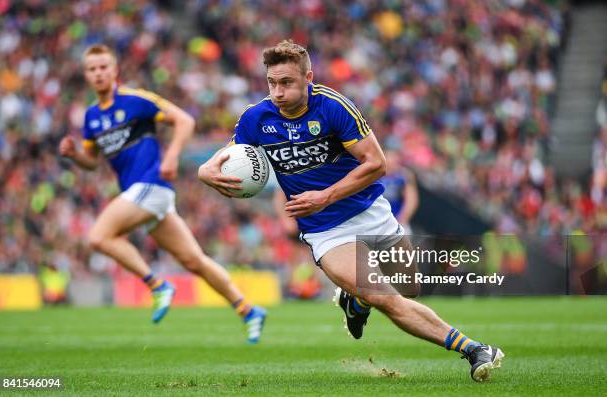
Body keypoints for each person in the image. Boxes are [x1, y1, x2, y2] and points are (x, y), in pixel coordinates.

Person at [199, 40, 504, 380]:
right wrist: (205, 172)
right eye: (272, 83)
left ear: (308, 78)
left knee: (410, 288)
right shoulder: (256, 119)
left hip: (369, 209)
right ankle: (474, 349)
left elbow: (377, 164)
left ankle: (354, 302)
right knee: (386, 299)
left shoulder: (333, 107)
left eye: (286, 83)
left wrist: (325, 195)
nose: (278, 92)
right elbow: (226, 157)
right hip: (325, 230)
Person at [58, 44, 266, 344]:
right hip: (140, 193)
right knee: (194, 261)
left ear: (115, 70)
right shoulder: (91, 117)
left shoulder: (135, 100)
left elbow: (185, 120)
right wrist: (75, 155)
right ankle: (247, 309)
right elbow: (91, 162)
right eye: (92, 69)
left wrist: (171, 156)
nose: (98, 73)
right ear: (86, 75)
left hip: (151, 185)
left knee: (98, 236)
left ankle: (157, 285)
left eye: (104, 66)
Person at [381, 150, 419, 233]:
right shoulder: (376, 175)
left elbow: (411, 200)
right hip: (378, 220)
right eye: (389, 157)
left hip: (397, 220)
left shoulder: (403, 176)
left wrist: (402, 219)